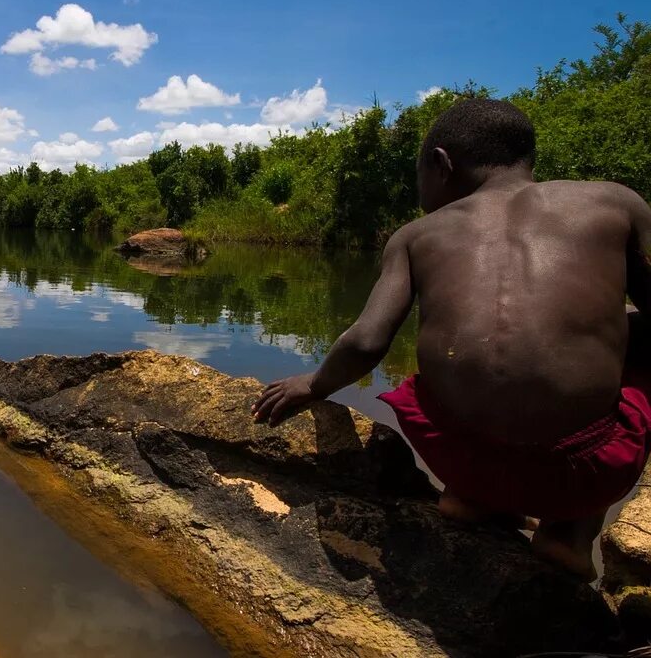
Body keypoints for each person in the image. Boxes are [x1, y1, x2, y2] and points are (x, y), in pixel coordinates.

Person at [251, 98, 651, 581]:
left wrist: (314, 385)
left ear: (440, 163)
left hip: (460, 459)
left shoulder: (416, 235)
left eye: (419, 170)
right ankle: (570, 532)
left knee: (454, 345)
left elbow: (366, 342)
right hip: (585, 474)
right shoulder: (616, 203)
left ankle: (472, 498)